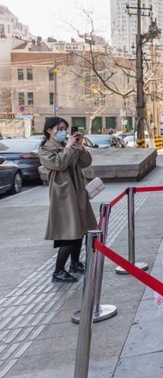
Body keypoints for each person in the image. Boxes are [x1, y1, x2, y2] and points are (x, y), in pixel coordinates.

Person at [39, 117, 97, 283]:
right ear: (49, 130)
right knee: (69, 234)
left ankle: (75, 263)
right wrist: (71, 147)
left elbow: (85, 163)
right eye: (60, 128)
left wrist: (79, 146)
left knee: (80, 230)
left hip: (78, 191)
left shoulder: (67, 146)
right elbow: (59, 164)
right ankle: (58, 271)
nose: (64, 132)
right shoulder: (45, 149)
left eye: (65, 128)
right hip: (63, 195)